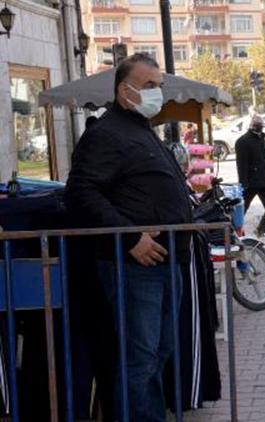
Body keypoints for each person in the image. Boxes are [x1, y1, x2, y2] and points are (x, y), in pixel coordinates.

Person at [65, 53, 193, 422]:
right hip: (136, 266)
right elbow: (81, 193)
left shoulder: (141, 131)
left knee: (159, 354)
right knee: (139, 360)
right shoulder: (106, 133)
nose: (157, 93)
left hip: (168, 262)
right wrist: (130, 237)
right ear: (126, 91)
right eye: (149, 85)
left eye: (159, 86)